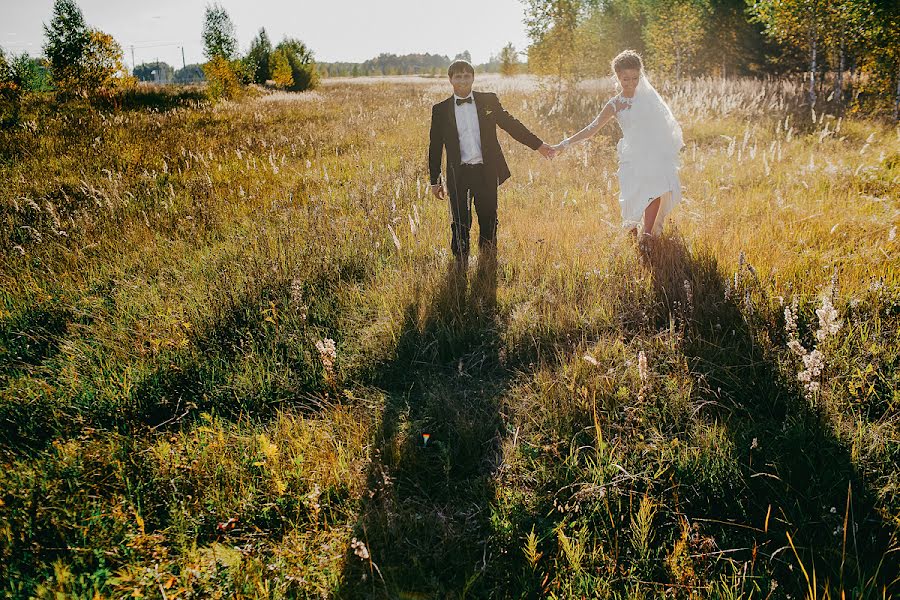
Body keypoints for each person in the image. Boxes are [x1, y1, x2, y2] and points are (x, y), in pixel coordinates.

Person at [429, 60, 555, 267]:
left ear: (473, 78)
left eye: (467, 75)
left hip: (486, 171)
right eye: (458, 76)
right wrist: (435, 180)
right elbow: (435, 146)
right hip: (457, 173)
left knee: (488, 218)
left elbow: (511, 125)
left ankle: (487, 261)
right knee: (460, 221)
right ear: (450, 79)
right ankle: (460, 264)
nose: (462, 80)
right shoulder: (441, 110)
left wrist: (538, 145)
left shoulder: (488, 100)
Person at [553, 50, 684, 239]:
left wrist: (662, 149)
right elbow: (591, 129)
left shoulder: (649, 99)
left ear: (641, 75)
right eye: (625, 79)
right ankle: (631, 235)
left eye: (635, 78)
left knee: (655, 190)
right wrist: (563, 145)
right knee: (631, 198)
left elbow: (665, 125)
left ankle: (647, 235)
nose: (630, 83)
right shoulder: (615, 104)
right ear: (618, 77)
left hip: (653, 153)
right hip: (631, 155)